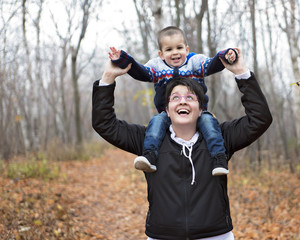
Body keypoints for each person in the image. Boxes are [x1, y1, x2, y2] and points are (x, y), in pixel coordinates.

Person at [92, 47, 272, 239]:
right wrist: (108, 77)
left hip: (215, 234)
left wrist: (241, 73)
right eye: (175, 98)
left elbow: (260, 119)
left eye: (190, 98)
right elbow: (104, 124)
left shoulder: (220, 138)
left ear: (201, 109)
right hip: (162, 235)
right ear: (167, 110)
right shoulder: (148, 141)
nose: (183, 102)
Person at [108, 26, 237, 176]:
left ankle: (219, 158)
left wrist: (226, 55)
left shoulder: (194, 62)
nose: (175, 52)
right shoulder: (157, 66)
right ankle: (150, 155)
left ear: (187, 49)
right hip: (166, 112)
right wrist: (123, 59)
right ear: (161, 54)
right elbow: (141, 72)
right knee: (156, 123)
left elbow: (211, 65)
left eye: (179, 47)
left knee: (210, 124)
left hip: (198, 112)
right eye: (169, 50)